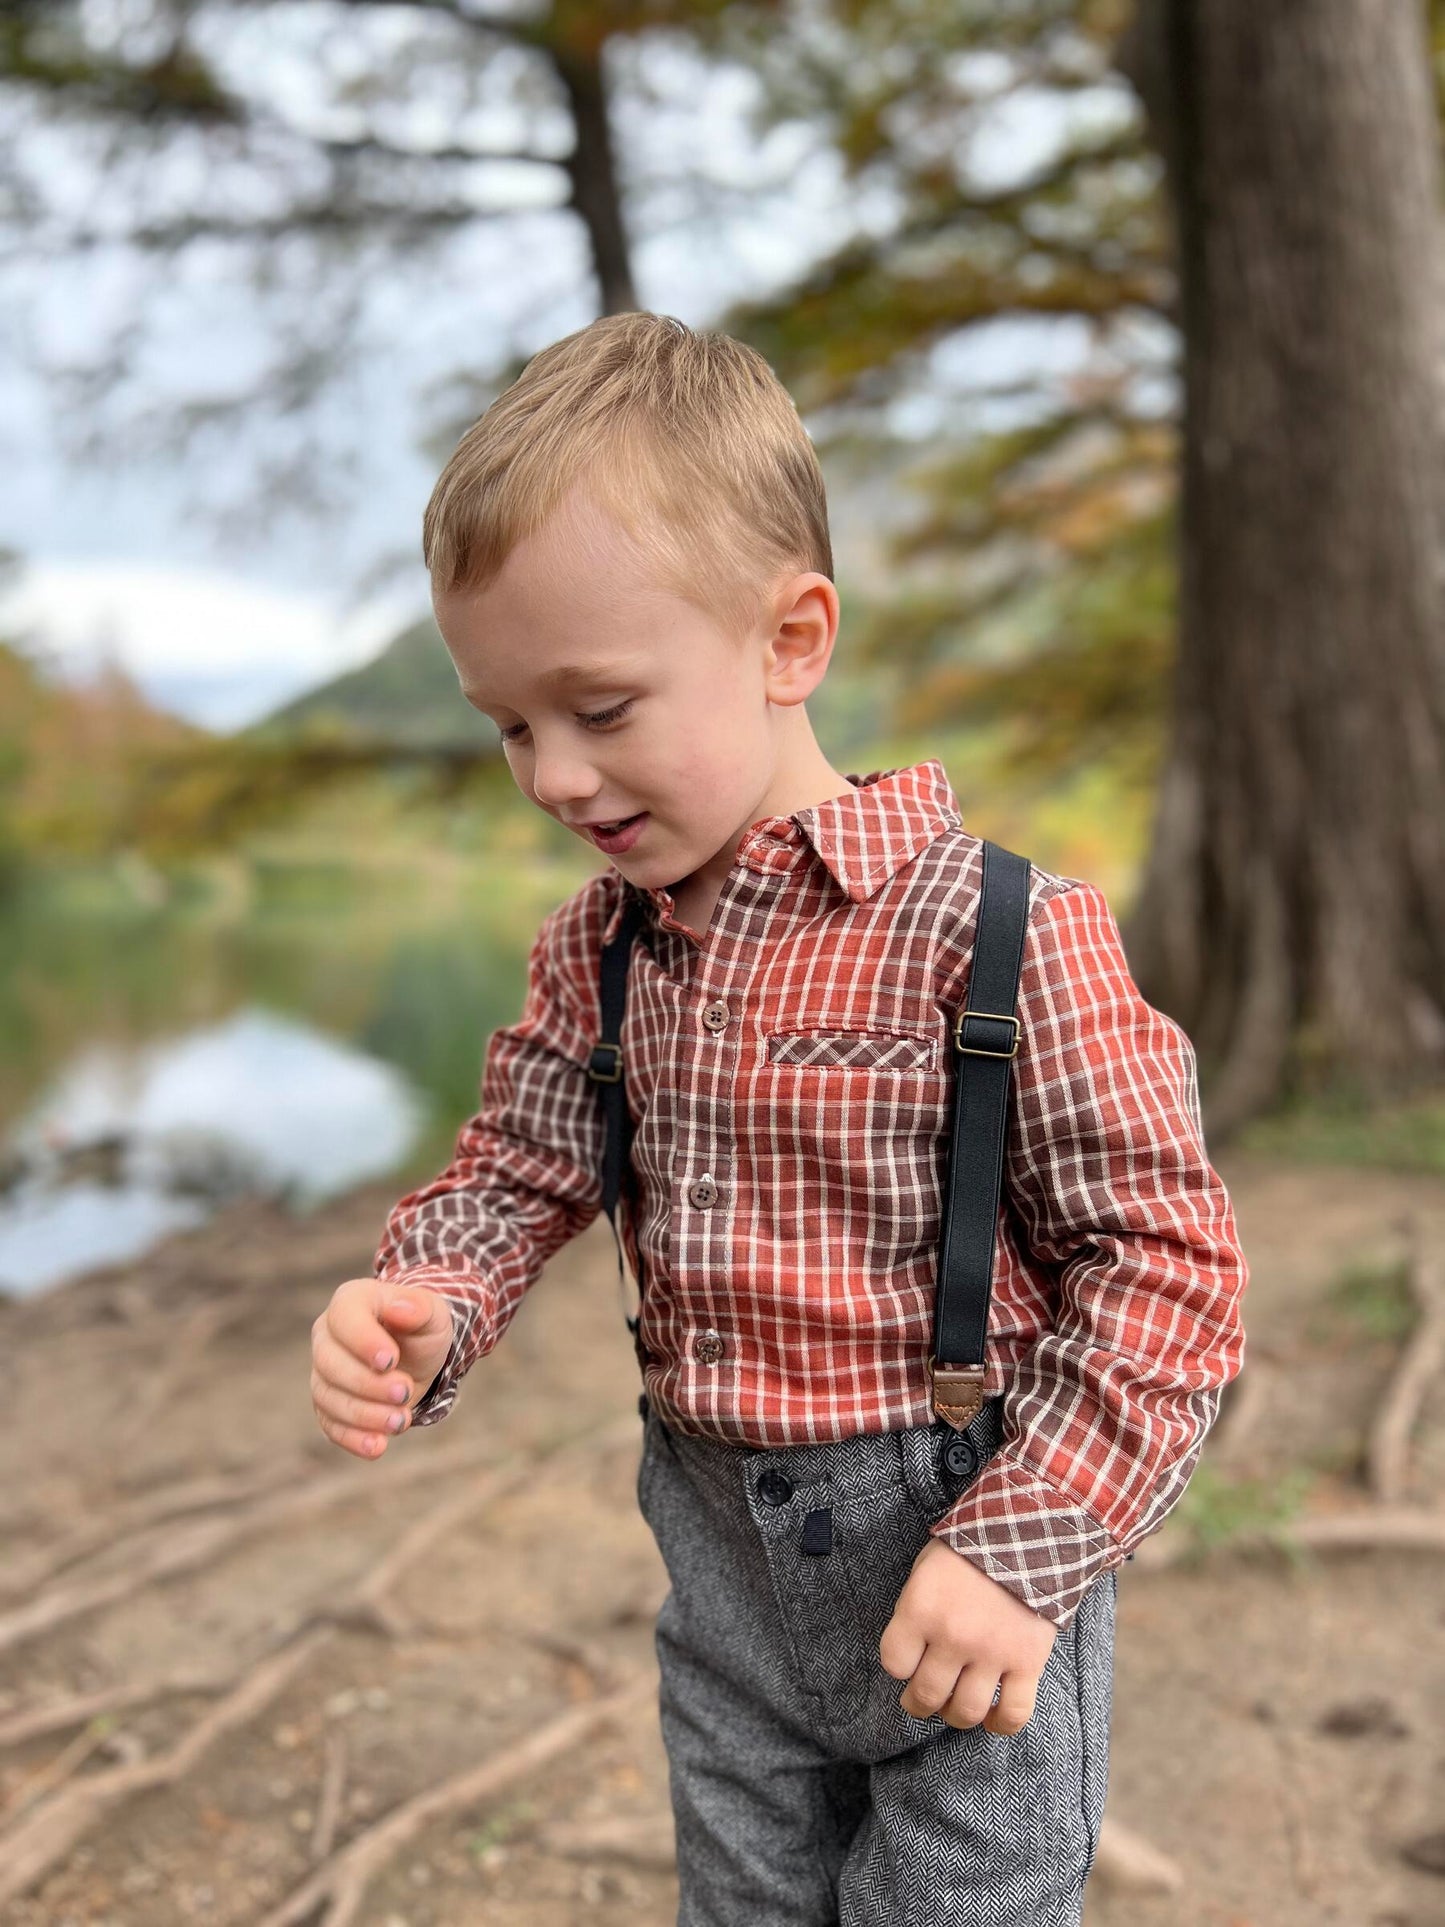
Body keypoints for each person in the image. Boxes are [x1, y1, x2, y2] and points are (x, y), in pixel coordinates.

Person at [308, 310, 1249, 1925]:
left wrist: (1022, 1548)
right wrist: (429, 1299)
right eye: (508, 726)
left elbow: (1164, 1264)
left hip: (965, 1558)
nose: (546, 775)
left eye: (596, 710)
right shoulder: (597, 952)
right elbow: (519, 1167)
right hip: (722, 1583)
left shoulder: (999, 935)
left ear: (789, 641)